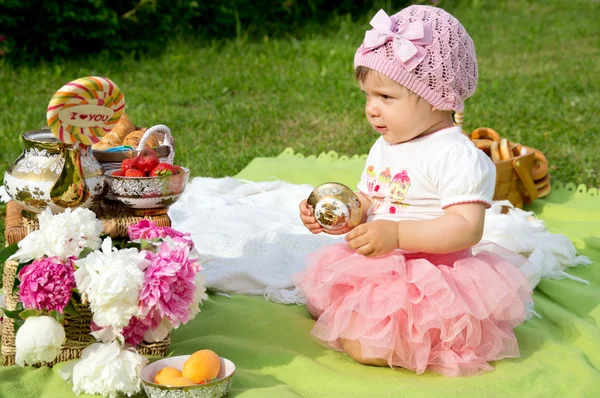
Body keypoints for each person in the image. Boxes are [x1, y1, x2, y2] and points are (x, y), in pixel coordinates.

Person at [295, 5, 533, 377]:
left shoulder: (454, 153)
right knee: (341, 313)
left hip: (435, 278)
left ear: (438, 98)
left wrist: (398, 233)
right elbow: (371, 199)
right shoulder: (387, 143)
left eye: (386, 98)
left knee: (365, 343)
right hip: (381, 268)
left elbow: (466, 226)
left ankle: (432, 337)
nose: (371, 110)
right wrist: (337, 213)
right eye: (367, 96)